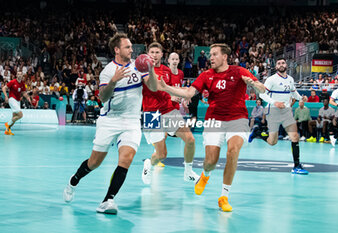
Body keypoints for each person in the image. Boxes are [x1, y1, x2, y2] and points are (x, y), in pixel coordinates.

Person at [158, 43, 265, 212]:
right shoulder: (207, 75)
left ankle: (224, 196)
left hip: (238, 118)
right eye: (210, 55)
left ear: (225, 57)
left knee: (232, 151)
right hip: (214, 120)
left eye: (214, 54)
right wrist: (165, 87)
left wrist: (253, 84)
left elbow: (261, 88)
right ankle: (205, 175)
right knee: (210, 162)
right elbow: (188, 93)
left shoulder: (239, 71)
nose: (211, 58)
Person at [63, 33, 158, 214]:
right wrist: (113, 81)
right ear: (117, 49)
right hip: (109, 120)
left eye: (131, 47)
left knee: (126, 159)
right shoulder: (108, 71)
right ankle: (73, 181)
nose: (131, 50)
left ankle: (108, 200)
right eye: (127, 47)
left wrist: (151, 70)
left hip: (131, 121)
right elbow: (103, 97)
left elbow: (153, 87)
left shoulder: (139, 67)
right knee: (94, 162)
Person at [142, 42, 199, 185]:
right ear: (148, 54)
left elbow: (172, 88)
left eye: (157, 52)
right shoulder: (143, 70)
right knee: (161, 154)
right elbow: (153, 88)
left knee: (190, 140)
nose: (154, 55)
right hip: (151, 114)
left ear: (162, 55)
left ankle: (188, 172)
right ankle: (149, 163)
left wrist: (183, 98)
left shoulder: (167, 71)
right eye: (152, 52)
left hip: (169, 111)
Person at [249, 58, 309, 175]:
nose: (281, 65)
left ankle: (296, 165)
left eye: (283, 63)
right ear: (276, 67)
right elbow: (262, 94)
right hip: (274, 111)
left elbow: (293, 92)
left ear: (286, 65)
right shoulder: (271, 80)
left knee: (295, 137)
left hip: (286, 111)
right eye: (278, 63)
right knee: (272, 142)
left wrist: (301, 98)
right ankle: (257, 132)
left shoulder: (290, 79)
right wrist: (274, 102)